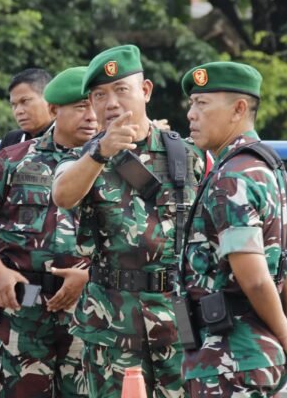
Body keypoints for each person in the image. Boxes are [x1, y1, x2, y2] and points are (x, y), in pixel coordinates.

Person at [52, 45, 207, 398]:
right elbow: (63, 195)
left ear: (146, 91)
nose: (110, 103)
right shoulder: (84, 158)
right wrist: (101, 152)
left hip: (177, 318)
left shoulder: (186, 155)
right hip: (113, 324)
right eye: (99, 95)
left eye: (121, 90)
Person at [178, 61, 287, 396]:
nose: (191, 114)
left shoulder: (232, 177)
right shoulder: (269, 168)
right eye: (191, 104)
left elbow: (254, 276)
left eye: (202, 104)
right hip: (258, 353)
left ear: (239, 109)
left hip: (230, 357)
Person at [0, 66, 96, 397]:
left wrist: (89, 275)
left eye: (94, 106)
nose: (90, 116)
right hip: (25, 300)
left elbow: (134, 237)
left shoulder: (113, 163)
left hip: (89, 305)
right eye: (80, 107)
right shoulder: (13, 159)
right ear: (56, 109)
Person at [0, 68, 54, 154]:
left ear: (48, 99)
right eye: (14, 105)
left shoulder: (66, 140)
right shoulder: (11, 140)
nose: (18, 111)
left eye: (25, 101)